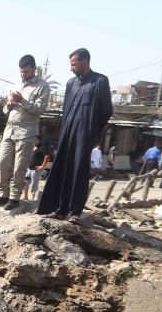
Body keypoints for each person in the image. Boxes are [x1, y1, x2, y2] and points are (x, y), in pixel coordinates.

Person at [36, 48, 112, 221]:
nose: (71, 68)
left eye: (74, 64)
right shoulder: (71, 83)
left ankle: (75, 212)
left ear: (85, 62)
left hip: (84, 134)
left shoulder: (100, 80)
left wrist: (92, 130)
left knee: (78, 171)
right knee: (62, 168)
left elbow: (106, 110)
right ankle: (60, 209)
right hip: (67, 133)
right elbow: (66, 110)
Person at [0, 55, 50, 211]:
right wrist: (8, 105)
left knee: (19, 166)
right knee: (2, 163)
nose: (23, 75)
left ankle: (15, 197)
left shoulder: (43, 86)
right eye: (21, 72)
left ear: (34, 69)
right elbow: (4, 110)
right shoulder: (15, 85)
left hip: (27, 131)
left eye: (26, 72)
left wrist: (22, 100)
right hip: (10, 130)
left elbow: (40, 109)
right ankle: (3, 194)